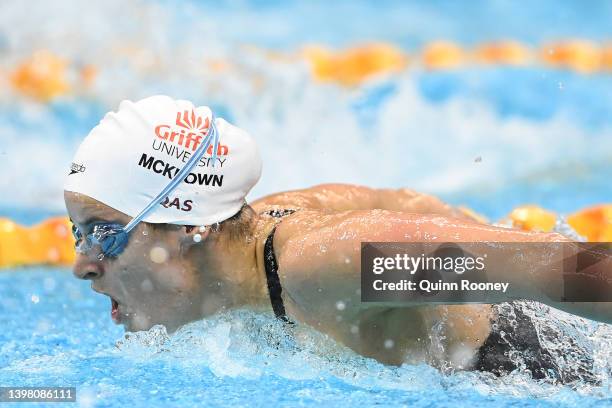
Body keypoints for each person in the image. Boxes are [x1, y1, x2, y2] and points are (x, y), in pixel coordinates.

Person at [64, 95, 609, 383]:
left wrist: (480, 256)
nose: (82, 265)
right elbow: (408, 202)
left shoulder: (328, 265)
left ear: (190, 227)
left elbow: (564, 267)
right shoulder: (268, 227)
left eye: (105, 235)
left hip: (539, 368)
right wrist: (464, 229)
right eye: (77, 234)